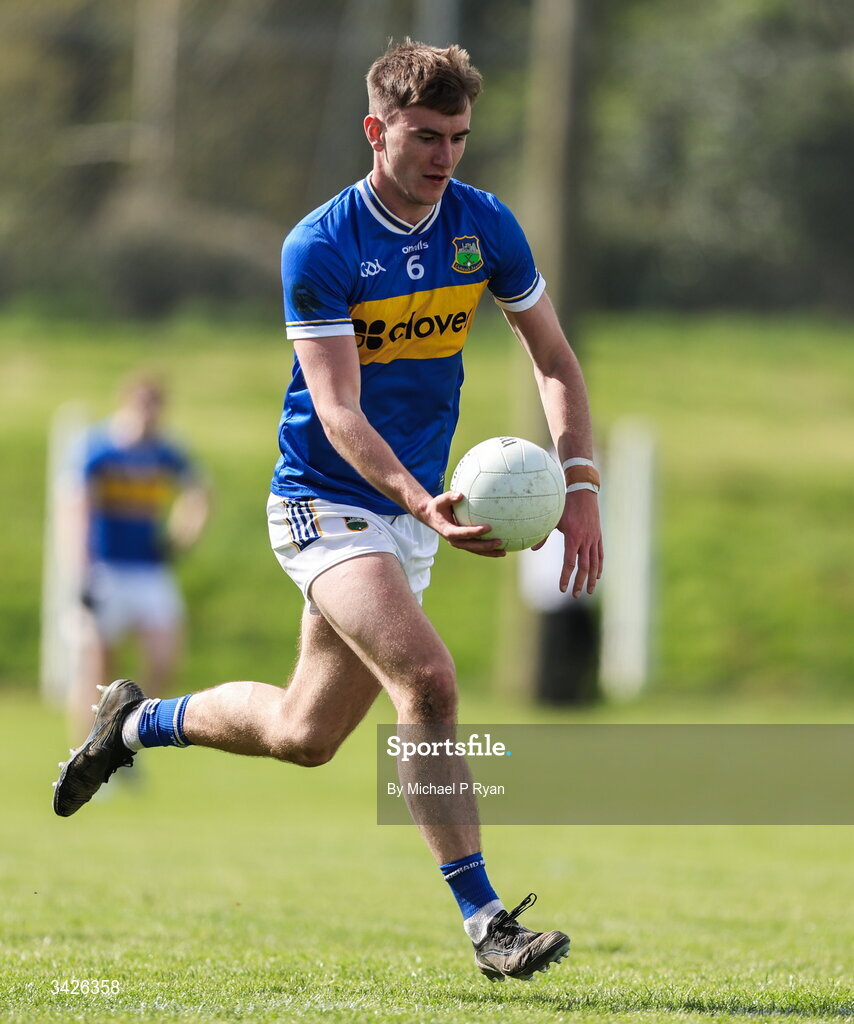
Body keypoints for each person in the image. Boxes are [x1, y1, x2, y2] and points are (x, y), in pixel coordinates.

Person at [52, 40, 602, 982]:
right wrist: (420, 503)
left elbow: (552, 357)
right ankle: (486, 924)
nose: (444, 157)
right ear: (375, 129)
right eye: (425, 136)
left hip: (405, 516)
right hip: (324, 501)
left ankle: (133, 724)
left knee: (305, 736)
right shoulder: (322, 243)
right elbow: (339, 410)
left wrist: (582, 487)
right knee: (427, 680)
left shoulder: (485, 226)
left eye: (460, 138)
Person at [66, 373, 209, 743]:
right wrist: (80, 570)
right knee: (99, 667)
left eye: (154, 405)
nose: (148, 413)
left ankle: (124, 736)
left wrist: (181, 537)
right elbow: (77, 511)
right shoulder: (99, 449)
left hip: (149, 569)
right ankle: (86, 748)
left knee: (164, 659)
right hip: (106, 568)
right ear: (126, 401)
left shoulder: (163, 452)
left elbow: (200, 492)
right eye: (142, 403)